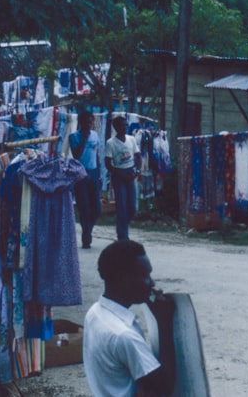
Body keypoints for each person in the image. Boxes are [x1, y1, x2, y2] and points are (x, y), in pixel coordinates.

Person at [83, 239, 176, 396]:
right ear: (122, 279)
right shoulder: (124, 336)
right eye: (145, 275)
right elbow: (164, 390)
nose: (152, 283)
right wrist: (164, 323)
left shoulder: (95, 312)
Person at [105, 115, 141, 240]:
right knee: (122, 206)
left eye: (126, 125)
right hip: (119, 175)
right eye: (121, 125)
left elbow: (138, 156)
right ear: (116, 127)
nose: (124, 127)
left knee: (132, 207)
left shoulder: (131, 139)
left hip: (131, 173)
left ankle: (123, 226)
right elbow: (108, 164)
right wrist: (120, 174)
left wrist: (137, 171)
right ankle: (123, 235)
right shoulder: (110, 143)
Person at [70, 111, 102, 248]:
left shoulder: (95, 135)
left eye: (91, 122)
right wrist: (84, 138)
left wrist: (99, 174)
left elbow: (97, 154)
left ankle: (88, 230)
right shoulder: (74, 136)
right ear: (81, 123)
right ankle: (86, 235)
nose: (89, 125)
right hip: (80, 173)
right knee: (84, 207)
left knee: (97, 207)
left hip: (93, 172)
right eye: (87, 122)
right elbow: (76, 154)